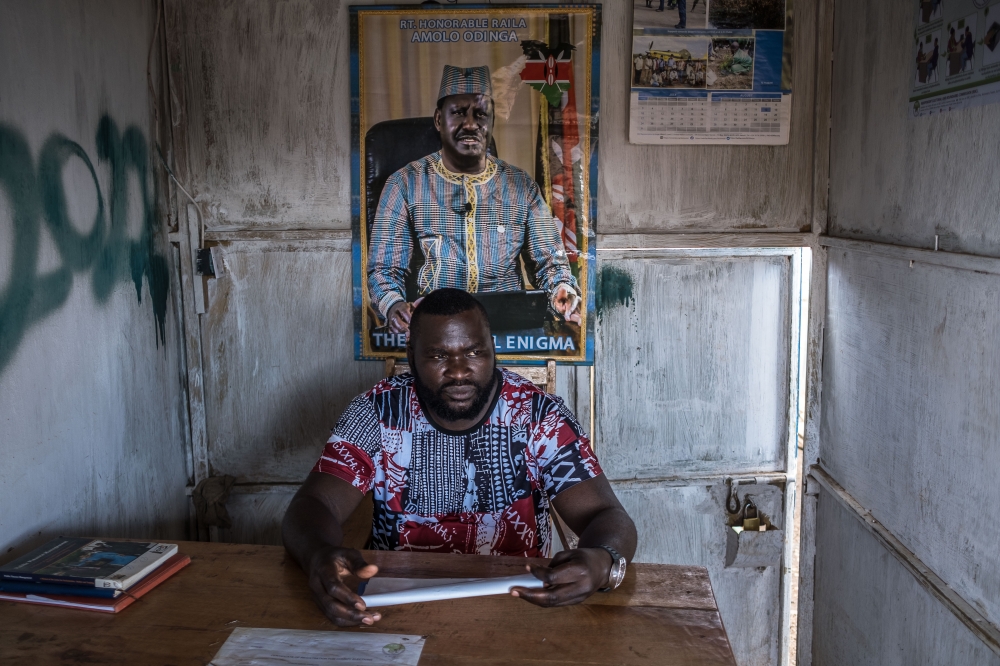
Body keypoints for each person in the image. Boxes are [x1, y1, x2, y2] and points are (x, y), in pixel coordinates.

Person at [282, 289, 638, 627]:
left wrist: (604, 560)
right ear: (412, 358)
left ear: (492, 351)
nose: (458, 371)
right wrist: (318, 555)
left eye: (473, 352)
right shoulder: (377, 411)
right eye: (438, 355)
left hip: (517, 598)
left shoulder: (538, 415)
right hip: (393, 600)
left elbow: (607, 516)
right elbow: (315, 504)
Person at [368, 65, 582, 336]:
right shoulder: (404, 184)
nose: (470, 124)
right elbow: (383, 271)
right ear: (438, 120)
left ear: (491, 122)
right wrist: (394, 305)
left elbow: (550, 263)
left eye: (481, 114)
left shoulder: (521, 187)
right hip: (436, 331)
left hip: (506, 333)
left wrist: (560, 290)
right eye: (458, 113)